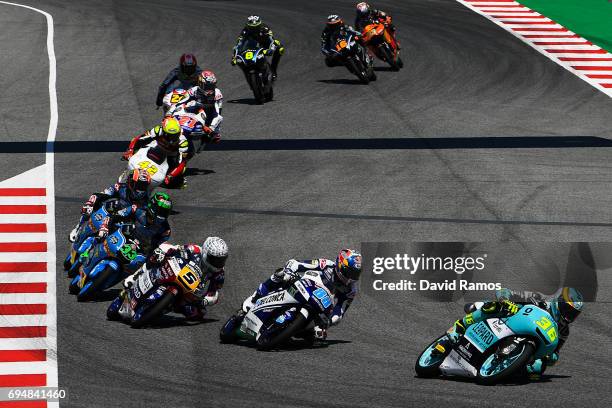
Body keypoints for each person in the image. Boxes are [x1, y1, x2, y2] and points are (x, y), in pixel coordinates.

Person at [435, 287, 584, 380]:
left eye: (573, 314)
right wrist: (505, 299)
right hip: (506, 320)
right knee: (491, 306)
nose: (568, 317)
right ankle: (458, 328)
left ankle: (504, 368)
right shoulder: (539, 298)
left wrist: (551, 356)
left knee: (537, 369)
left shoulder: (563, 331)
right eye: (568, 310)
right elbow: (504, 291)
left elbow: (556, 354)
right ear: (558, 302)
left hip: (526, 339)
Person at [246, 249, 362, 340]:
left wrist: (329, 322)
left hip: (320, 307)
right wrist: (289, 272)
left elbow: (340, 311)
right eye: (349, 272)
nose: (351, 277)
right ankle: (255, 297)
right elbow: (297, 263)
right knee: (280, 275)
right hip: (302, 288)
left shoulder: (351, 290)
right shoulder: (326, 264)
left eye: (355, 274)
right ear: (340, 264)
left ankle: (289, 332)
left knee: (317, 336)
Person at [123, 236, 228, 321]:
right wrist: (162, 253)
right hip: (173, 272)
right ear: (205, 253)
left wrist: (205, 301)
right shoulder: (194, 250)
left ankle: (167, 307)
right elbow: (174, 248)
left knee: (198, 314)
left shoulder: (219, 273)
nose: (217, 263)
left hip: (191, 291)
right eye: (214, 259)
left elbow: (214, 293)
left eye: (221, 260)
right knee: (155, 258)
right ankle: (135, 276)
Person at [68, 169, 151, 243]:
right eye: (139, 185)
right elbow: (100, 194)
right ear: (131, 183)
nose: (141, 190)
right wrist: (90, 203)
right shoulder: (120, 187)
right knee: (90, 208)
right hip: (109, 210)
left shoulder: (146, 201)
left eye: (144, 186)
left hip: (122, 220)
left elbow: (142, 221)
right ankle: (77, 228)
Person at [97, 191, 173, 255]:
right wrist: (105, 226)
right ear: (152, 206)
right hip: (119, 236)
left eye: (165, 212)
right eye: (160, 211)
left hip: (136, 250)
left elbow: (157, 247)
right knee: (99, 237)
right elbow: (114, 216)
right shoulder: (137, 209)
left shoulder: (165, 230)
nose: (162, 215)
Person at [122, 117, 189, 187]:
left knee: (178, 178)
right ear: (163, 131)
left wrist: (170, 176)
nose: (172, 140)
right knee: (140, 146)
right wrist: (130, 151)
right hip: (155, 147)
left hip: (170, 155)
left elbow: (182, 163)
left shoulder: (183, 142)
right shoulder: (157, 130)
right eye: (169, 135)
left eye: (175, 135)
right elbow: (139, 139)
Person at [231, 15, 284, 80]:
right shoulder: (245, 31)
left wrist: (272, 48)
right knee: (240, 60)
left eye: (256, 27)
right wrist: (234, 56)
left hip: (265, 44)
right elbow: (239, 44)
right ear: (248, 26)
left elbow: (271, 40)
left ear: (260, 25)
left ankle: (273, 70)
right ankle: (247, 74)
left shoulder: (265, 28)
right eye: (252, 28)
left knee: (280, 49)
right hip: (251, 46)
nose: (254, 30)